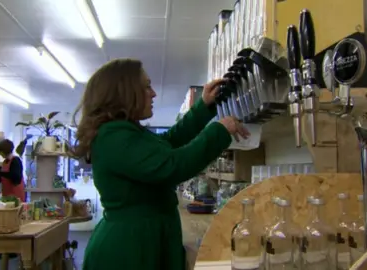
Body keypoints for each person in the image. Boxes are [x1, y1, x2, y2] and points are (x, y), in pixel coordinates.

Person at [72, 58, 250, 270]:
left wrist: (203, 107)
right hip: (129, 250)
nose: (153, 93)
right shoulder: (113, 136)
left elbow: (167, 142)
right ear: (126, 92)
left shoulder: (125, 132)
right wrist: (219, 131)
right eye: (146, 86)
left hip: (141, 241)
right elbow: (171, 165)